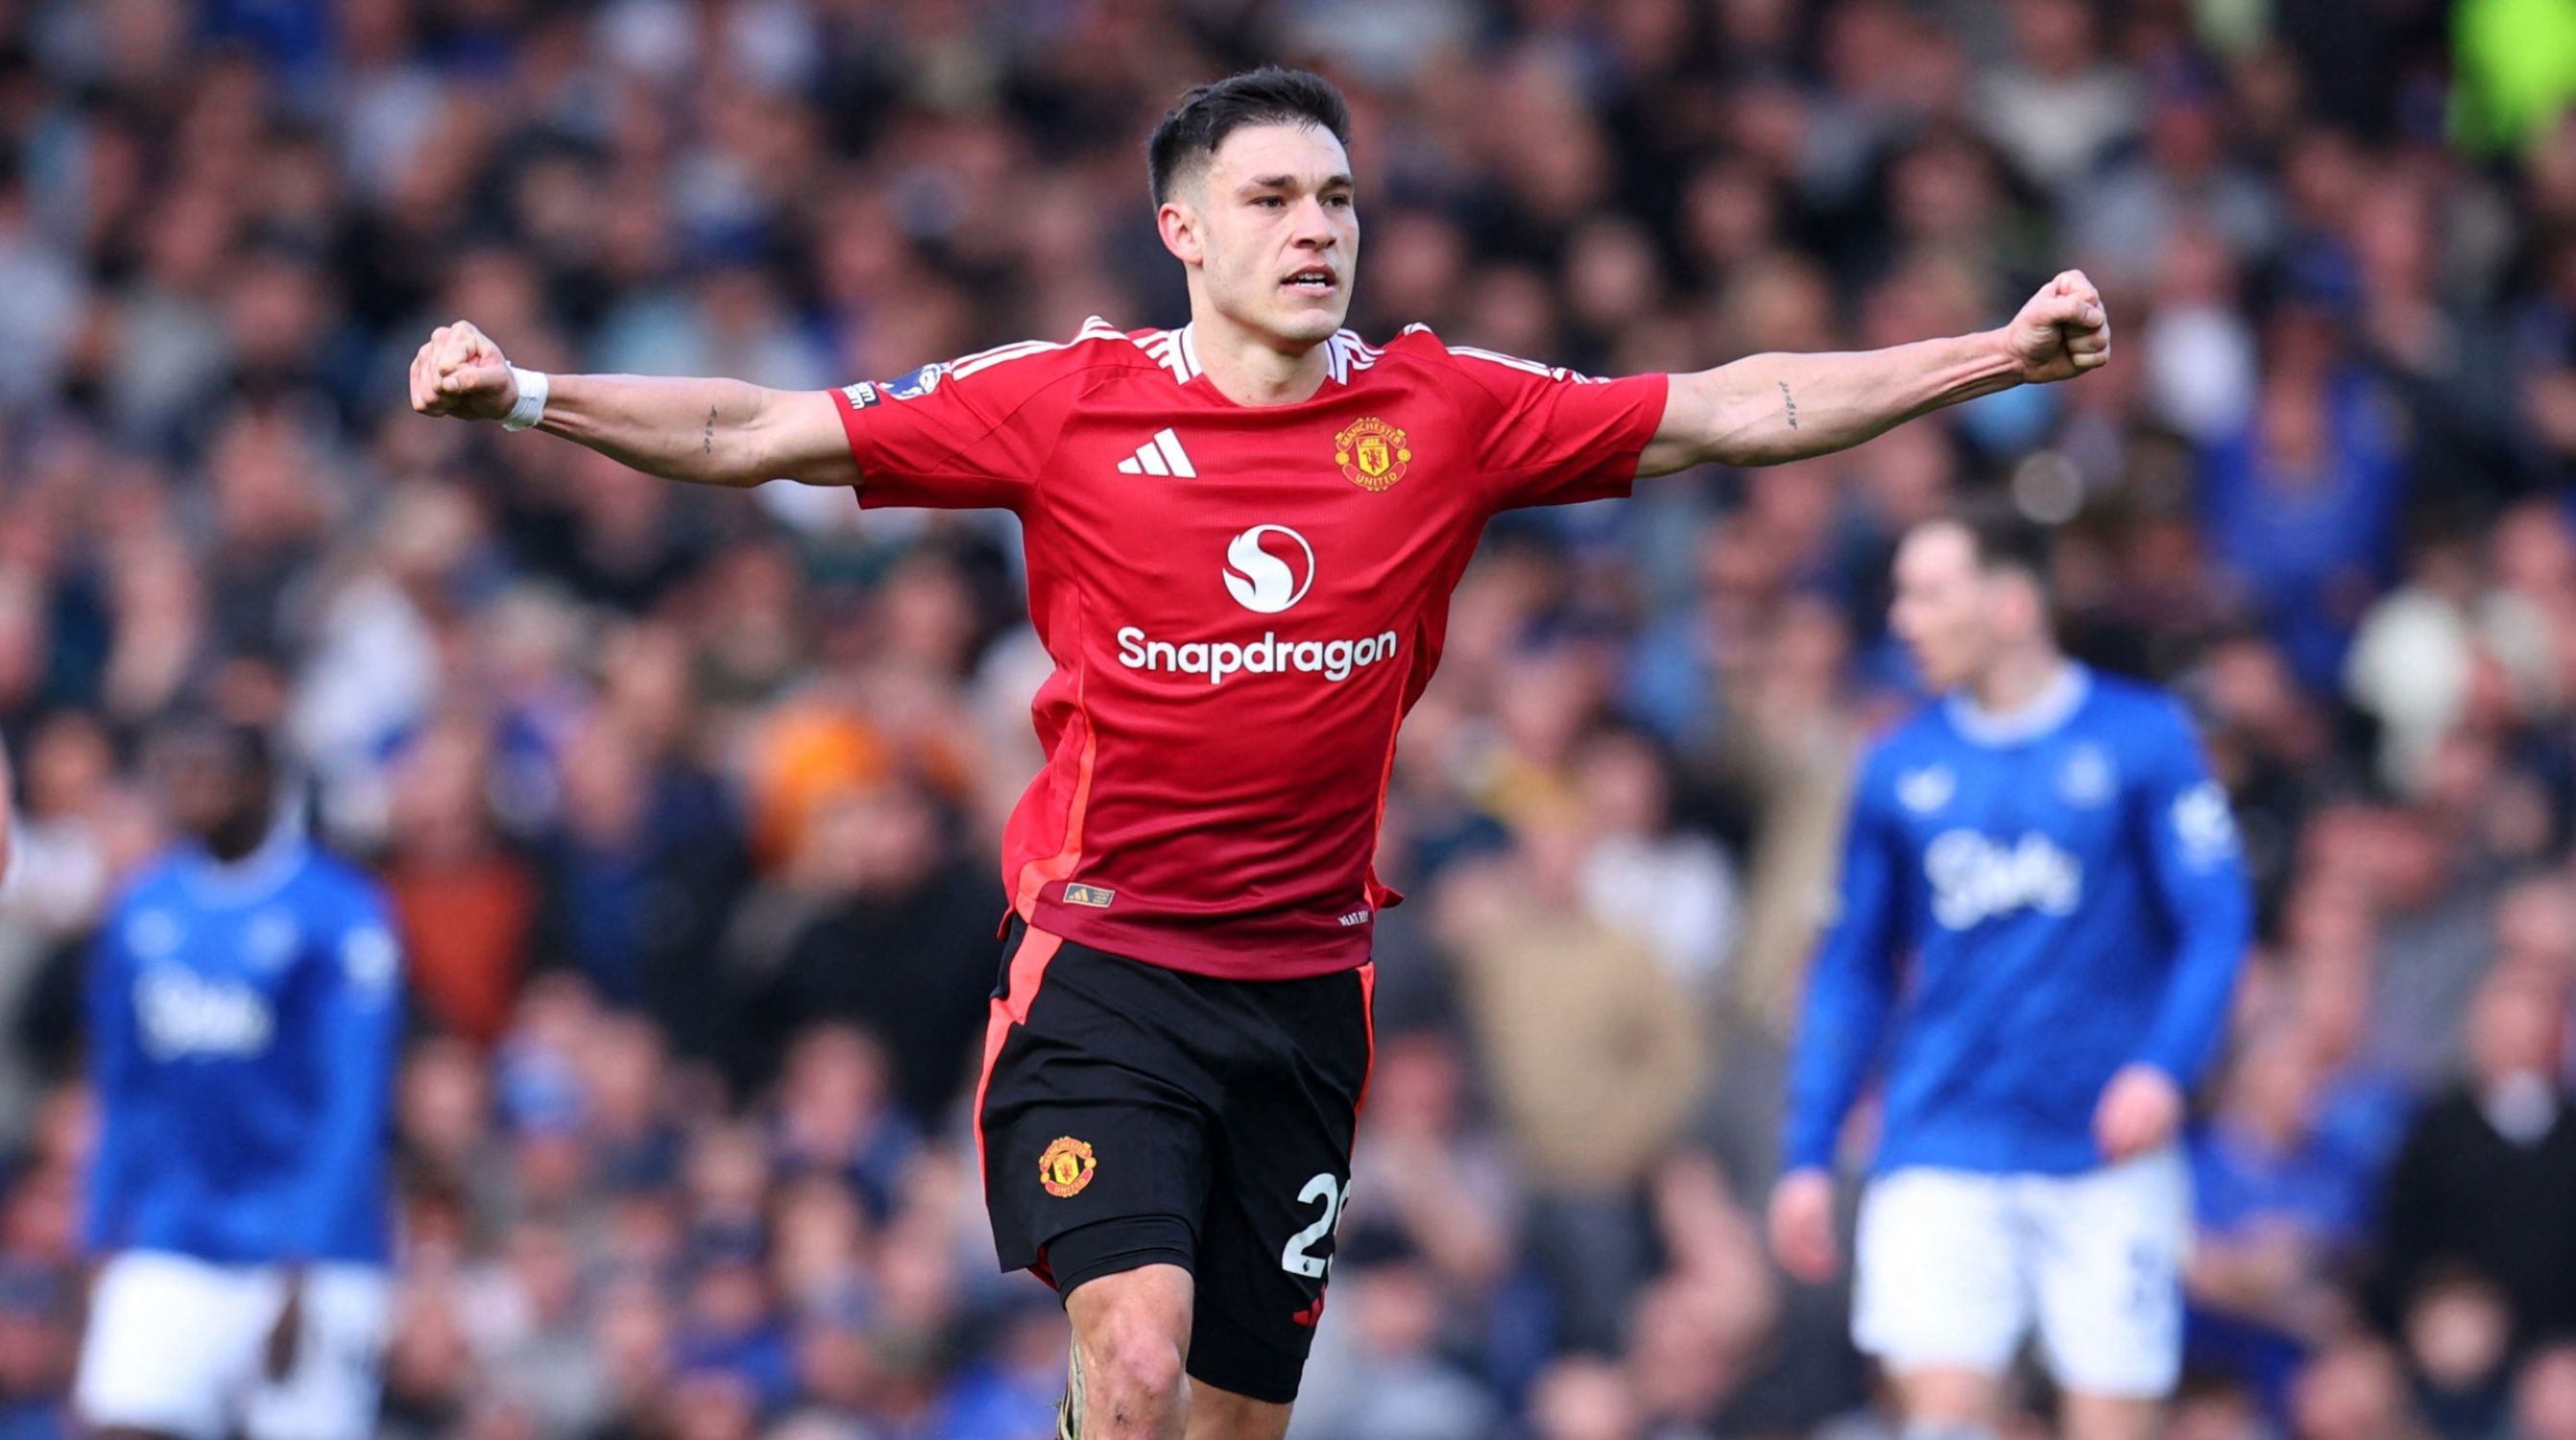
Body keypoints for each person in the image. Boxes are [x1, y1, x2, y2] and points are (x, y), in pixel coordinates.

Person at [406, 66, 2113, 1440]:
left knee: (1227, 1416)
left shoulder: (1442, 409)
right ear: (1183, 234)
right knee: (1132, 1361)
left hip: (1304, 993)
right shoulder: (1066, 399)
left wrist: (1994, 356)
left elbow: (1739, 408)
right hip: (1105, 969)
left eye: (1339, 200)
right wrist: (535, 399)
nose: (1317, 231)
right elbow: (762, 430)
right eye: (1273, 201)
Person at [1769, 514, 2252, 1440]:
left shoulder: (2142, 740)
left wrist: (2164, 1067)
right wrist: (1808, 1149)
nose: (1904, 620)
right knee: (1942, 1424)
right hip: (1944, 1139)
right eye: (1900, 595)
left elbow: (2216, 921)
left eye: (1929, 593)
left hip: (2103, 1151)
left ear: (2012, 601)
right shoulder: (1898, 767)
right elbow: (1853, 968)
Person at [72, 716, 406, 1440]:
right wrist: (98, 1230)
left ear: (264, 783)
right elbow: (122, 1088)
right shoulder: (142, 908)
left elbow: (353, 1104)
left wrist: (305, 1256)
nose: (190, 791)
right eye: (178, 773)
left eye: (209, 773)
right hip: (174, 1230)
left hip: (306, 1243)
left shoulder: (341, 912)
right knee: (120, 1421)